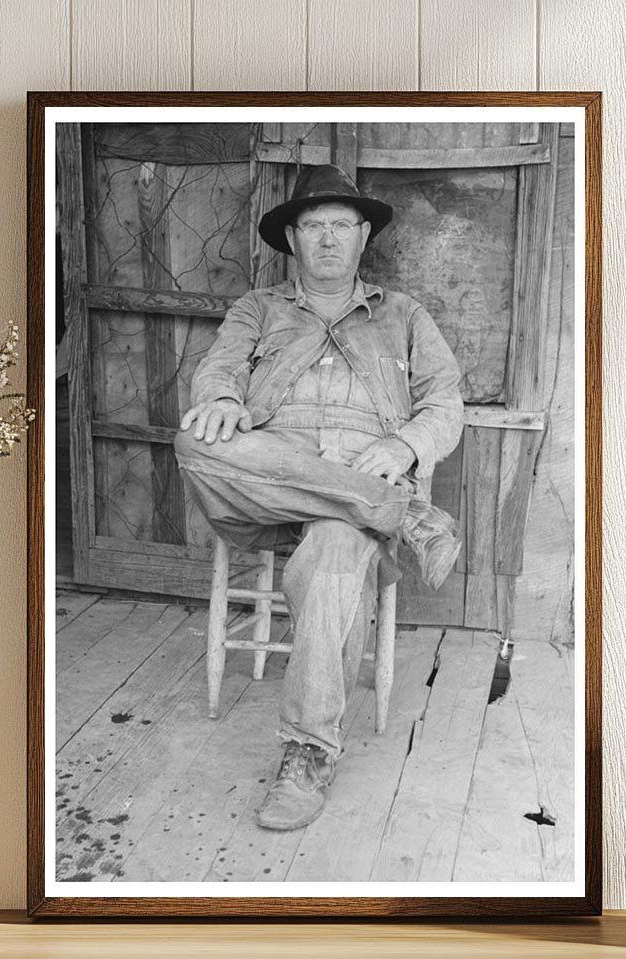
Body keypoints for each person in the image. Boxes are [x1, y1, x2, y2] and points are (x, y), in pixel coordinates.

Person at [174, 164, 464, 831]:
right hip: (266, 490)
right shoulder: (257, 309)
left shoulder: (405, 316)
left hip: (361, 484)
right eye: (313, 226)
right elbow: (219, 368)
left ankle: (307, 754)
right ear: (292, 239)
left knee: (335, 551)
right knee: (193, 441)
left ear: (363, 235)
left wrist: (404, 446)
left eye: (340, 225)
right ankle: (402, 515)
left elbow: (445, 404)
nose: (328, 238)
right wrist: (220, 399)